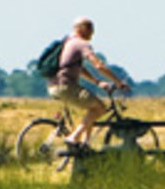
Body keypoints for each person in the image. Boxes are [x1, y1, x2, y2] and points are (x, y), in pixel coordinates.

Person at [48, 17, 129, 149]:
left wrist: (97, 82)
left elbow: (79, 68)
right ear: (83, 29)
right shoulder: (81, 44)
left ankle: (85, 145)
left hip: (55, 86)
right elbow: (98, 65)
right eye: (91, 28)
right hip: (65, 86)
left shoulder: (68, 42)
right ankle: (73, 137)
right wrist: (117, 82)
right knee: (99, 108)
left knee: (92, 109)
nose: (93, 33)